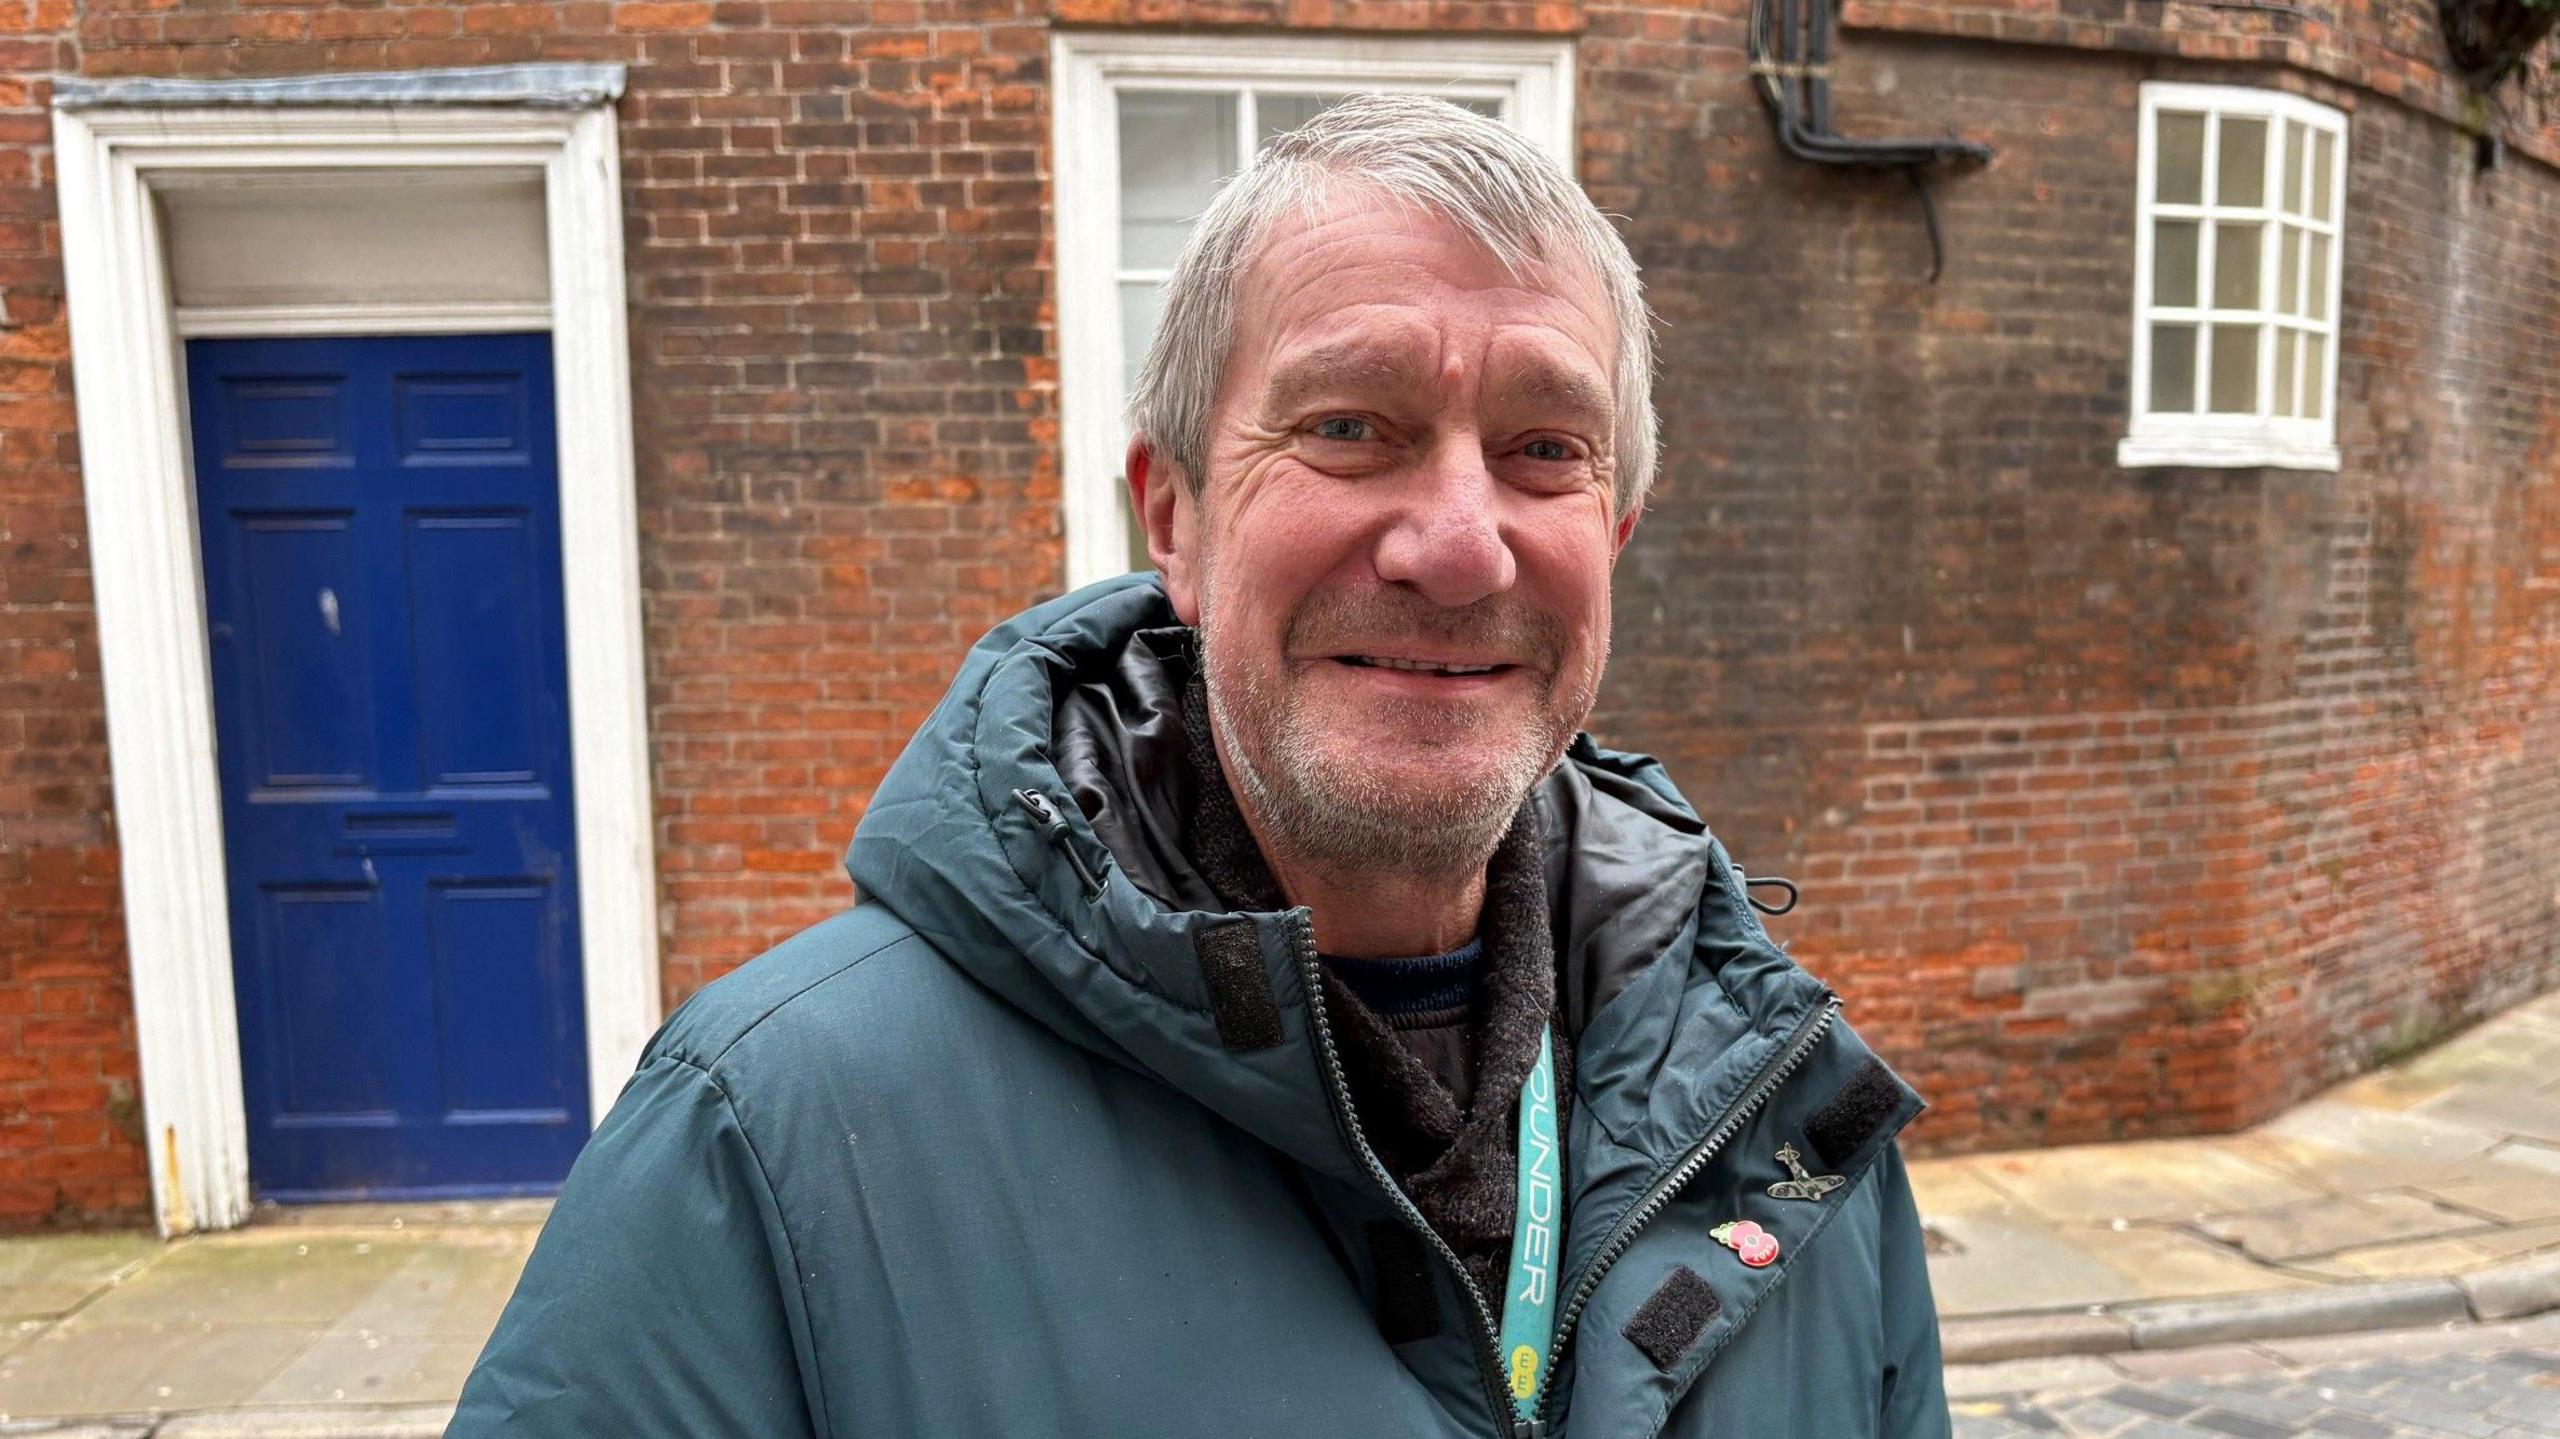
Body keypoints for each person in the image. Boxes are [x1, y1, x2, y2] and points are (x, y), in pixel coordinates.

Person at [449, 93, 1949, 1438]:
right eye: (1351, 427)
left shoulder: (1781, 1123)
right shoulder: (768, 1144)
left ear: (1611, 537)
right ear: (1171, 516)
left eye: (1546, 448)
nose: (1457, 543)